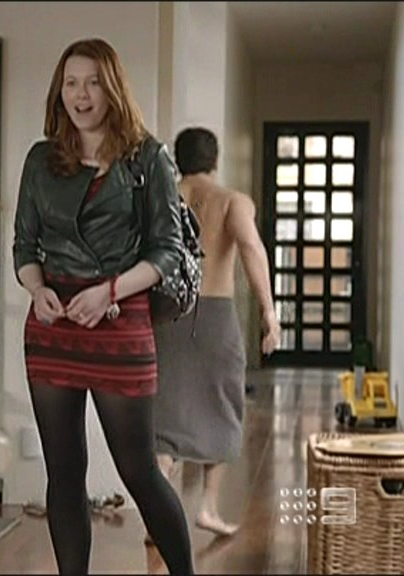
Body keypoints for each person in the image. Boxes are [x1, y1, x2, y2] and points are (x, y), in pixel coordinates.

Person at [13, 38, 195, 576]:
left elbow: (168, 250)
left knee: (138, 470)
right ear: (59, 91)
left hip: (120, 320)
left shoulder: (148, 156)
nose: (81, 94)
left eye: (92, 82)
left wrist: (110, 291)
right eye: (71, 83)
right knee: (64, 473)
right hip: (55, 328)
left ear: (112, 88)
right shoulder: (41, 160)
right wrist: (37, 290)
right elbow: (24, 246)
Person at [152, 126, 281, 537]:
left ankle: (161, 514)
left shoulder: (160, 199)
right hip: (214, 314)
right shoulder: (231, 202)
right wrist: (269, 312)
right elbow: (252, 249)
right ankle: (207, 507)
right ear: (215, 159)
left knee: (165, 411)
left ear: (178, 159)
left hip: (164, 313)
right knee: (223, 404)